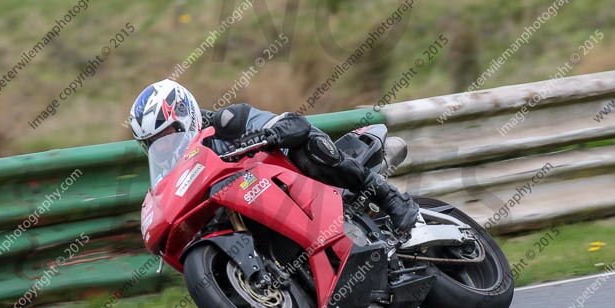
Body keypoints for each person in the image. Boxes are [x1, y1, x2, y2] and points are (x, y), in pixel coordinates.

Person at [128, 79, 418, 235]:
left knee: (308, 148)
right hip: (258, 210)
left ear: (184, 116)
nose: (163, 147)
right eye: (153, 143)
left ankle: (388, 197)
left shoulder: (226, 122)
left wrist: (269, 136)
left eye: (167, 136)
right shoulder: (176, 173)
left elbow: (294, 123)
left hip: (293, 180)